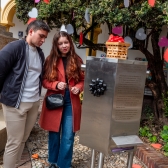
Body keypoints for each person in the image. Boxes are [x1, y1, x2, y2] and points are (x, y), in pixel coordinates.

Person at [0, 20, 50, 168]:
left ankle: (15, 164)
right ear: (31, 32)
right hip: (15, 103)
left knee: (23, 139)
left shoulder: (40, 53)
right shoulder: (14, 47)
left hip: (34, 103)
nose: (43, 40)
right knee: (14, 141)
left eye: (45, 37)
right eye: (41, 36)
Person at [39, 31, 84, 168]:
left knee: (68, 136)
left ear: (70, 42)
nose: (64, 46)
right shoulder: (50, 59)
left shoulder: (77, 60)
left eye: (66, 42)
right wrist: (55, 84)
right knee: (53, 133)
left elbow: (83, 79)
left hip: (71, 101)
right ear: (56, 45)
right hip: (54, 100)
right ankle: (53, 162)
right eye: (60, 43)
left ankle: (63, 164)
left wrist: (78, 87)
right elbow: (44, 81)